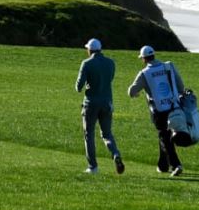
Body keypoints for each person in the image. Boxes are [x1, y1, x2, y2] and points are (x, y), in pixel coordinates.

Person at [128, 45, 186, 176]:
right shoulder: (168, 66)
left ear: (143, 59)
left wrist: (137, 94)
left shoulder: (144, 73)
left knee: (165, 138)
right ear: (154, 55)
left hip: (158, 111)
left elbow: (131, 91)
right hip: (174, 107)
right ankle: (163, 165)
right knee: (165, 137)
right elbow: (180, 85)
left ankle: (176, 164)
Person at [76, 38, 124, 175]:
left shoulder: (87, 63)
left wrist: (87, 85)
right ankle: (115, 153)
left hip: (91, 103)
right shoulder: (110, 63)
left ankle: (93, 167)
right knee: (107, 134)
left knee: (89, 135)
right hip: (107, 102)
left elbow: (78, 86)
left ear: (89, 50)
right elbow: (110, 79)